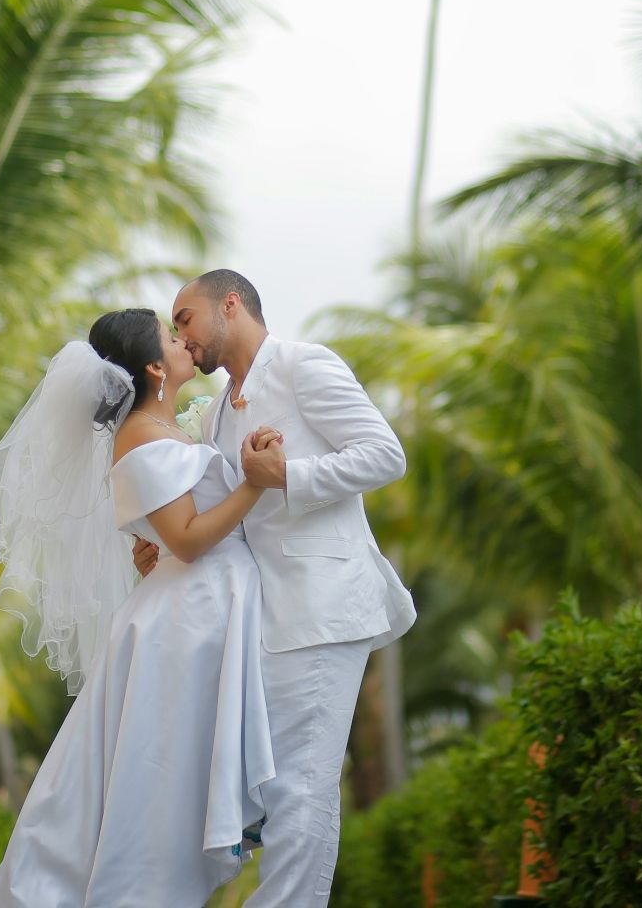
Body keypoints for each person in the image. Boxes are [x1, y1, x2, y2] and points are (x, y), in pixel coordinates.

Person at [0, 309, 287, 907]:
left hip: (195, 610)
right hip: (184, 623)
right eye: (171, 336)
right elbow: (188, 540)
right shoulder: (142, 434)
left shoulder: (164, 429)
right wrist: (253, 481)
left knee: (162, 781)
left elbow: (171, 531)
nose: (184, 341)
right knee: (157, 785)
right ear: (154, 367)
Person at [137, 268, 417, 907]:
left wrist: (289, 474)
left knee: (303, 787)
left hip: (323, 605)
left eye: (184, 319)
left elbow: (385, 454)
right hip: (259, 621)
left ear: (230, 305)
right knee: (268, 790)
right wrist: (166, 547)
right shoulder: (214, 413)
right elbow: (230, 515)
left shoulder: (304, 365)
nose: (180, 336)